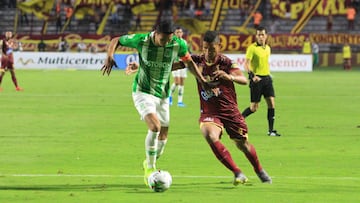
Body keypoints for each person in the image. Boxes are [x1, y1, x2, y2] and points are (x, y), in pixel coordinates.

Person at [101, 20, 209, 186]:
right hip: (143, 91)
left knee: (164, 136)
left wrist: (202, 80)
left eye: (169, 39)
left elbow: (187, 62)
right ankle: (150, 168)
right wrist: (109, 56)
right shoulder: (141, 40)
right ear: (155, 33)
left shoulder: (177, 44)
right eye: (162, 39)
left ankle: (148, 162)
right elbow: (116, 40)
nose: (166, 42)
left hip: (163, 94)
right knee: (155, 127)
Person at [178, 31, 272, 184]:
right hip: (210, 111)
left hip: (230, 112)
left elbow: (243, 80)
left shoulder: (226, 63)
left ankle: (259, 169)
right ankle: (237, 172)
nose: (208, 52)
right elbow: (170, 65)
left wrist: (229, 77)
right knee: (209, 134)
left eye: (212, 49)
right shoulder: (195, 61)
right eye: (205, 48)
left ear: (219, 47)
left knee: (243, 145)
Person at [241, 26, 281, 137]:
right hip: (257, 80)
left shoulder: (268, 48)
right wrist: (252, 76)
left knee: (271, 103)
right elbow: (246, 64)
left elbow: (265, 63)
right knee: (254, 108)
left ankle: (271, 130)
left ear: (266, 36)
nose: (261, 37)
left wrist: (268, 73)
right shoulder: (252, 48)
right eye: (259, 34)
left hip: (267, 79)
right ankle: (238, 120)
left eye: (263, 34)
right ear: (256, 36)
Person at [169, 27, 188, 107]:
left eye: (180, 32)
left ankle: (180, 101)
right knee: (176, 82)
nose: (179, 33)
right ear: (174, 33)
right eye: (177, 32)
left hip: (182, 64)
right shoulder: (172, 42)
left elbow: (186, 53)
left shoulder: (184, 42)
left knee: (182, 82)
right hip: (175, 64)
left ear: (182, 33)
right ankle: (169, 96)